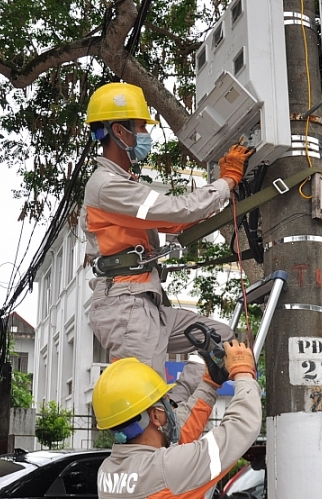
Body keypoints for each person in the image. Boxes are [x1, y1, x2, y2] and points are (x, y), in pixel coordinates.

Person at [81, 81, 253, 403]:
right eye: (141, 128)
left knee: (223, 339)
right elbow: (175, 210)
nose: (145, 135)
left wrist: (218, 198)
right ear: (119, 131)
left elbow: (175, 220)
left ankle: (183, 406)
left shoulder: (121, 185)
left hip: (146, 305)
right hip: (126, 309)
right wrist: (226, 182)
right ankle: (168, 429)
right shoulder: (106, 186)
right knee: (148, 407)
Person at [94, 340, 261, 499]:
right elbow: (241, 427)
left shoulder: (108, 471)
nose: (173, 409)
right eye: (167, 404)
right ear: (156, 416)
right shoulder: (166, 471)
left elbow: (176, 439)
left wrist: (208, 386)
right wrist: (243, 372)